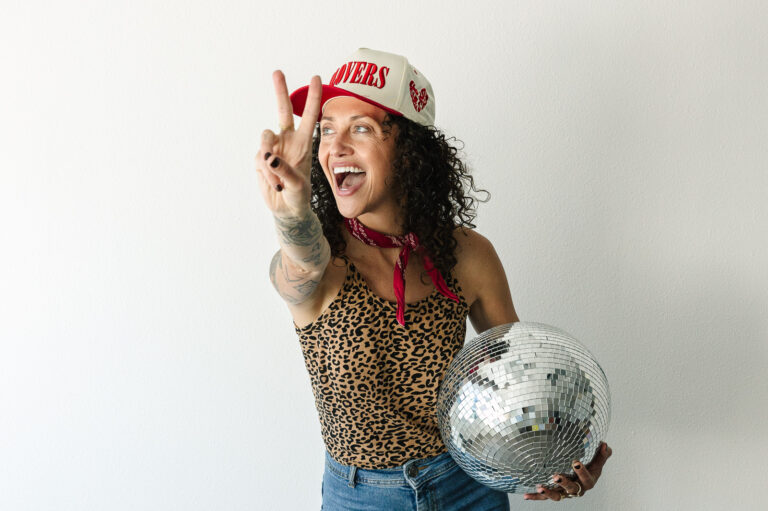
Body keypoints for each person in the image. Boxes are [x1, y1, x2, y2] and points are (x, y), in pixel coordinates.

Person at [255, 48, 611, 510]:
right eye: (326, 130)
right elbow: (298, 265)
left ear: (409, 149)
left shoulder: (468, 255)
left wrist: (561, 458)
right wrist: (293, 214)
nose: (334, 147)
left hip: (469, 488)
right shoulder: (323, 260)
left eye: (360, 128)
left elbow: (523, 383)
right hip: (361, 498)